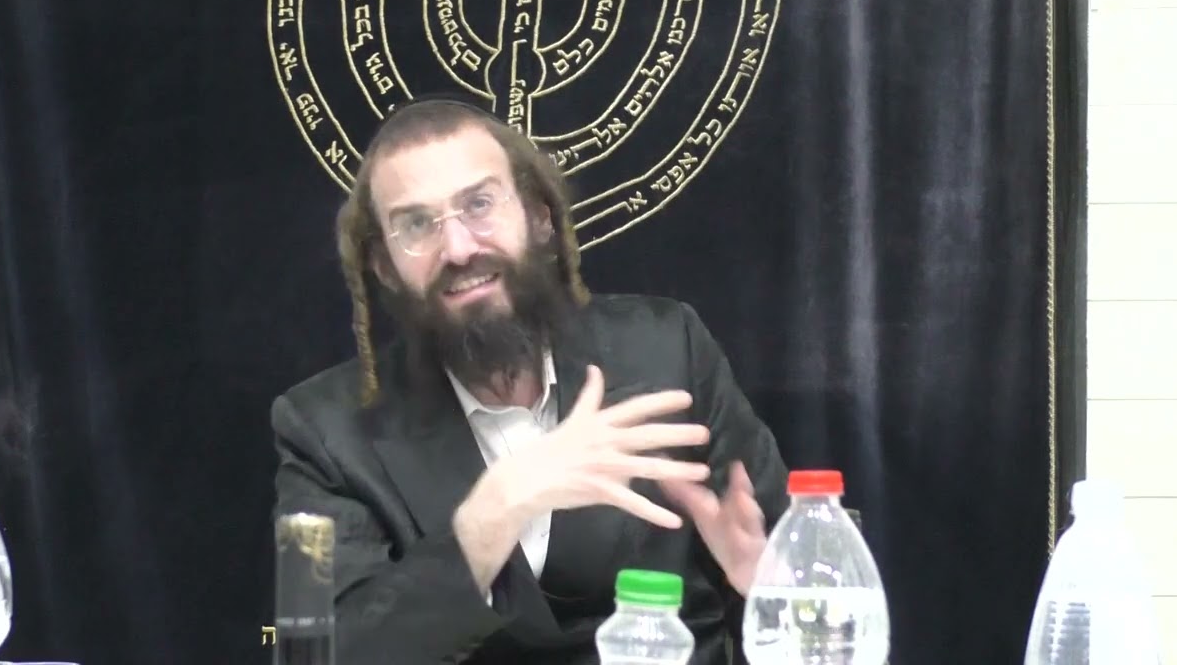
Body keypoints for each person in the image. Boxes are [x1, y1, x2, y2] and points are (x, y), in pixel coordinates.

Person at [270, 96, 790, 664]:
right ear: (385, 266)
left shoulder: (669, 349)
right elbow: (321, 655)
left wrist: (766, 591)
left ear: (539, 217)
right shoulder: (323, 430)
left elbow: (793, 588)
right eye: (416, 225)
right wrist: (493, 514)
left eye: (479, 204)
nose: (459, 249)